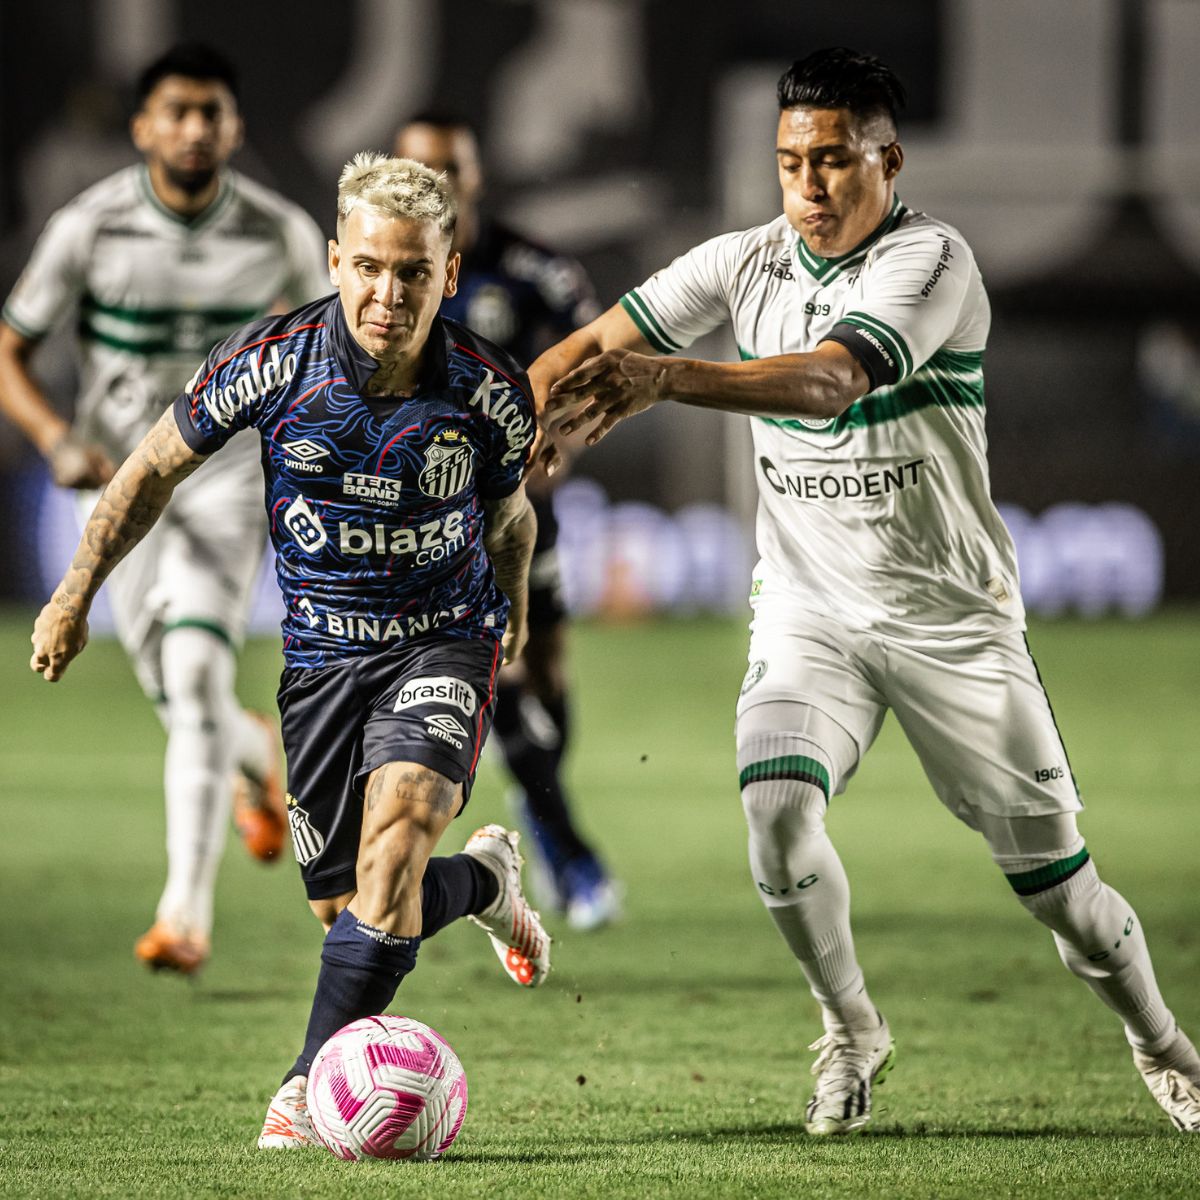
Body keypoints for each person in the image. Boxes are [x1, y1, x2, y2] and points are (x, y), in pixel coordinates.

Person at [532, 47, 1200, 1135]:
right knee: (777, 816)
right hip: (811, 616)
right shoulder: (743, 262)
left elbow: (832, 382)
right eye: (791, 161)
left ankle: (1163, 1042)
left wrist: (665, 379)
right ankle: (850, 1029)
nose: (808, 185)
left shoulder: (933, 261)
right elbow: (588, 351)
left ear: (887, 159)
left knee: (1063, 899)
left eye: (833, 160)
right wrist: (485, 425)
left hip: (953, 626)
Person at [30, 151, 551, 1149]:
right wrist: (74, 594)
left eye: (411, 273)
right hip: (319, 663)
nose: (386, 294)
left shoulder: (490, 391)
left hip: (443, 640)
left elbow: (510, 518)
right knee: (355, 913)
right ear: (333, 261)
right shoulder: (272, 362)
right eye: (365, 267)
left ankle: (304, 1091)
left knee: (397, 847)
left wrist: (514, 612)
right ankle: (486, 883)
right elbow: (148, 473)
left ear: (449, 274)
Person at [0, 44, 331, 975]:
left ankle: (183, 914)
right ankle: (259, 762)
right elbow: (9, 352)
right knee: (173, 686)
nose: (194, 129)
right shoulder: (89, 226)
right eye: (176, 112)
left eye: (211, 112)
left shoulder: (279, 232)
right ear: (143, 126)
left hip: (226, 481)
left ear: (234, 126)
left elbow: (329, 359)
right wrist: (55, 437)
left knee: (189, 679)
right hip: (120, 481)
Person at [392, 113, 620, 930]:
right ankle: (569, 853)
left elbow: (596, 365)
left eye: (449, 165)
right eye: (418, 166)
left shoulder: (534, 271)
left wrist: (549, 447)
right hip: (434, 527)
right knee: (511, 676)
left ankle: (539, 803)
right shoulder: (389, 274)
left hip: (529, 513)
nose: (436, 180)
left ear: (476, 172)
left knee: (548, 675)